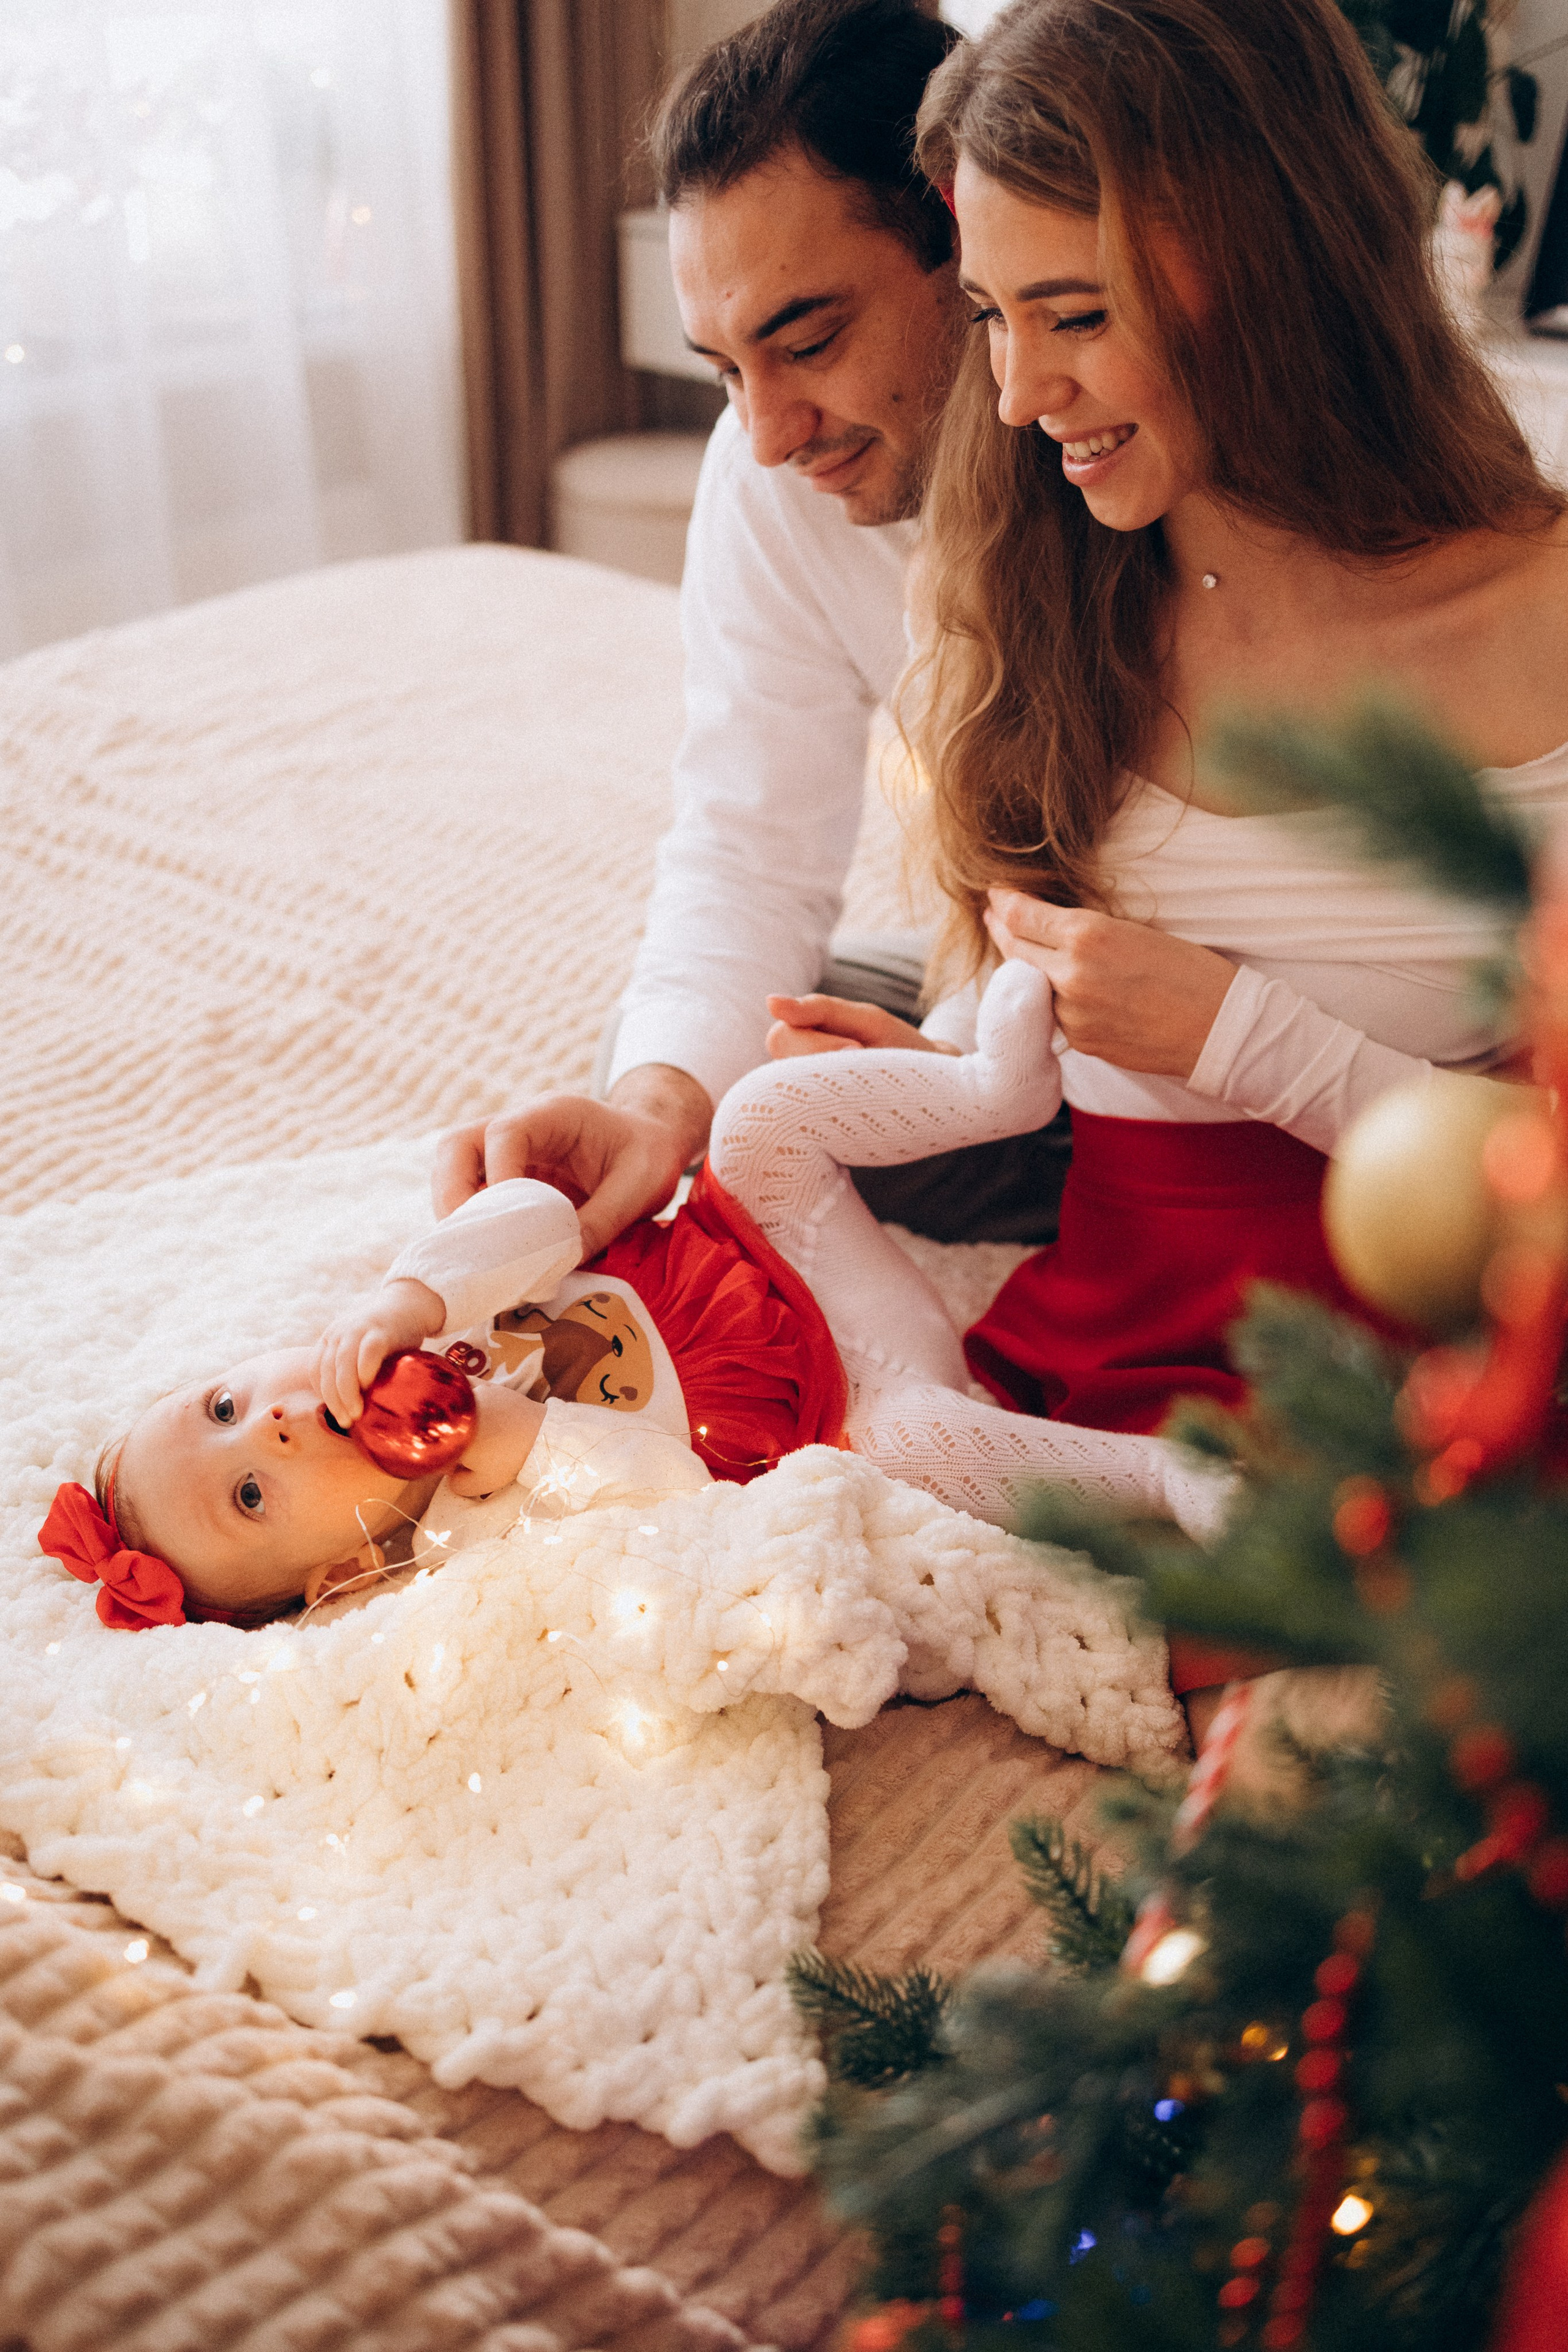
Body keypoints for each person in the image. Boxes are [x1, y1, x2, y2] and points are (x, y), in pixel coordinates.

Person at [856, 0, 1568, 1728]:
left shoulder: (1542, 624)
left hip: (1427, 1388)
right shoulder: (1040, 603)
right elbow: (1020, 1043)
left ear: (1266, 266)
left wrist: (1244, 1038)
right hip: (1095, 1358)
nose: (1019, 399)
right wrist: (934, 1086)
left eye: (1074, 317)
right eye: (992, 321)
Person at [432, 0, 1072, 1255]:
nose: (771, 434)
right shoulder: (765, 469)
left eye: (808, 340)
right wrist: (658, 1107)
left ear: (966, 238)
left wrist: (955, 1065)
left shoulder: (1117, 449)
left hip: (1159, 1024)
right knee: (687, 1065)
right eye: (726, 367)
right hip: (997, 992)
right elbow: (745, 842)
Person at [37, 960, 1228, 1633]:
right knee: (927, 1450)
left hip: (754, 1245)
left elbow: (546, 1220)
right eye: (252, 1491)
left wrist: (412, 1293)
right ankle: (1165, 1477)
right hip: (836, 1393)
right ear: (336, 1577)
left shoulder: (413, 1312)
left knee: (757, 1109)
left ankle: (990, 1093)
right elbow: (665, 1497)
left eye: (224, 1406)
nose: (275, 1425)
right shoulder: (462, 1543)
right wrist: (510, 1441)